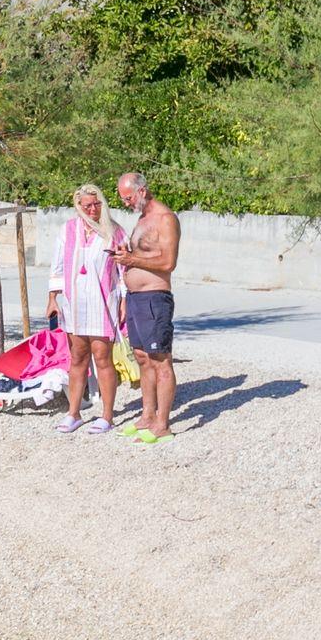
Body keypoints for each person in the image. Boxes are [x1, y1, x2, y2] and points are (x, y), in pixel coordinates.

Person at [47, 183, 127, 434]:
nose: (93, 209)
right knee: (78, 357)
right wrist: (52, 299)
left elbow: (123, 270)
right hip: (75, 303)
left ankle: (107, 415)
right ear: (79, 206)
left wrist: (124, 301)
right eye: (87, 205)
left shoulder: (114, 231)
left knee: (103, 357)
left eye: (96, 204)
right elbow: (58, 266)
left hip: (102, 303)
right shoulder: (68, 229)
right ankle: (73, 413)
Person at [114, 171, 181, 444]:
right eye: (123, 199)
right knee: (142, 357)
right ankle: (147, 415)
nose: (126, 203)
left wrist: (132, 260)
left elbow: (168, 263)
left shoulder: (166, 219)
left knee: (160, 359)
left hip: (155, 298)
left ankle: (162, 424)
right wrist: (126, 254)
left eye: (128, 197)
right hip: (135, 298)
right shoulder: (141, 219)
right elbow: (142, 254)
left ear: (141, 191)